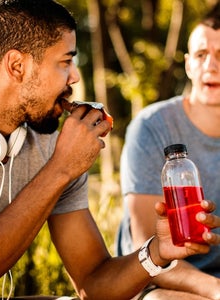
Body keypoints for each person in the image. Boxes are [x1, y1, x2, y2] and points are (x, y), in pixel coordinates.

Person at [0, 0, 219, 299]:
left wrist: (156, 253)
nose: (75, 76)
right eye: (65, 61)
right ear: (16, 66)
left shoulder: (52, 145)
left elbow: (94, 283)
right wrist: (61, 169)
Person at [117, 5, 220, 300]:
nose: (211, 66)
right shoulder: (151, 127)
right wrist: (216, 289)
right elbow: (147, 250)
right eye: (201, 55)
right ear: (188, 65)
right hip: (162, 283)